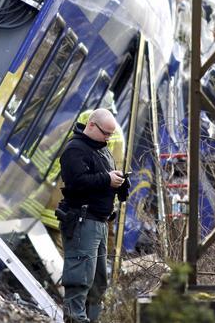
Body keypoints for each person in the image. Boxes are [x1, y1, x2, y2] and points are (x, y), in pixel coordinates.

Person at [56, 108, 129, 323]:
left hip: (99, 222)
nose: (108, 138)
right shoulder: (75, 149)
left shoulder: (102, 151)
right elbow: (76, 182)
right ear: (91, 125)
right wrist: (107, 179)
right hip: (82, 220)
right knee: (79, 278)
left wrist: (120, 183)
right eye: (105, 133)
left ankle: (91, 319)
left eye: (110, 134)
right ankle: (75, 319)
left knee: (98, 281)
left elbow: (102, 181)